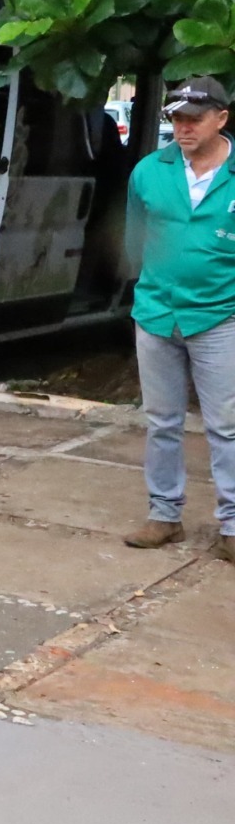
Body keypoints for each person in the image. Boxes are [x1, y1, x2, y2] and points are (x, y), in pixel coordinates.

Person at [122, 76, 235, 562]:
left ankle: (232, 525)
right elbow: (132, 237)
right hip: (155, 313)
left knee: (226, 425)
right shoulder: (150, 170)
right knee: (161, 420)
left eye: (194, 118)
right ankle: (164, 515)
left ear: (222, 119)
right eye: (177, 119)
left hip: (218, 316)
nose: (183, 128)